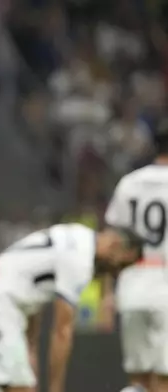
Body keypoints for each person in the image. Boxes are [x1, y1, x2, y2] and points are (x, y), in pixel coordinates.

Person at [0, 223, 143, 392]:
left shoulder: (78, 234)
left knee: (8, 385)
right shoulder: (80, 261)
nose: (117, 272)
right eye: (122, 264)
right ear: (114, 244)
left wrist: (30, 347)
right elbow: (61, 332)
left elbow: (34, 283)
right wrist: (56, 389)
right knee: (19, 387)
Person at [105, 119, 168, 392]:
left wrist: (108, 292)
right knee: (164, 379)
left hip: (132, 283)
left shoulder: (129, 183)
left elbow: (111, 242)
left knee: (138, 379)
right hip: (165, 283)